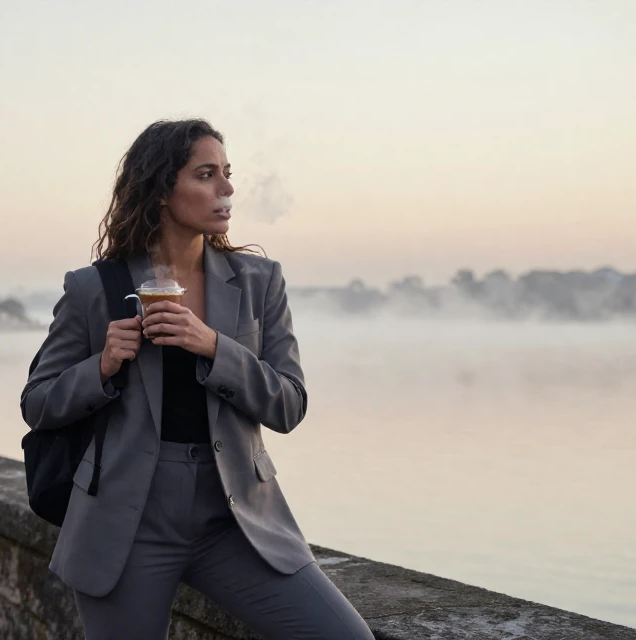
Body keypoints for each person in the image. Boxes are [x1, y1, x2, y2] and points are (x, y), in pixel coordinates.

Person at [21, 119, 375, 639]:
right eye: (206, 175)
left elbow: (289, 404)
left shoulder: (259, 281)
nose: (226, 188)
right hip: (126, 524)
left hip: (236, 522)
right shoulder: (93, 288)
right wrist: (102, 366)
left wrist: (213, 346)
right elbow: (37, 402)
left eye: (227, 173)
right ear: (162, 191)